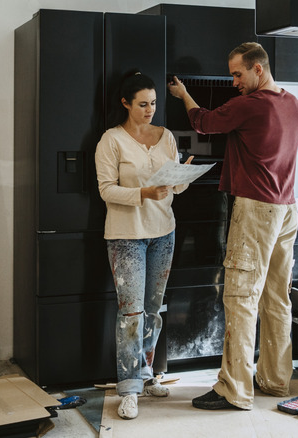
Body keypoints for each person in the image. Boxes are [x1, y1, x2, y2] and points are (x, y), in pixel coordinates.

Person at [167, 42, 298, 411]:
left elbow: (204, 122)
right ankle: (275, 380)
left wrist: (184, 95)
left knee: (241, 298)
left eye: (237, 74)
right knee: (277, 299)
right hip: (287, 209)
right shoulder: (293, 104)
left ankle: (235, 390)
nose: (234, 82)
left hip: (257, 210)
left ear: (258, 69)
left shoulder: (251, 105)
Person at [95, 71, 194, 420]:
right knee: (131, 315)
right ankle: (129, 389)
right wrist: (144, 193)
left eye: (153, 103)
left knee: (153, 310)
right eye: (142, 104)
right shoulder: (111, 140)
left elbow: (174, 191)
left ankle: (147, 373)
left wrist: (181, 176)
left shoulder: (165, 136)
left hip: (163, 231)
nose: (150, 110)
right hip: (126, 237)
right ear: (125, 103)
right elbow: (106, 189)